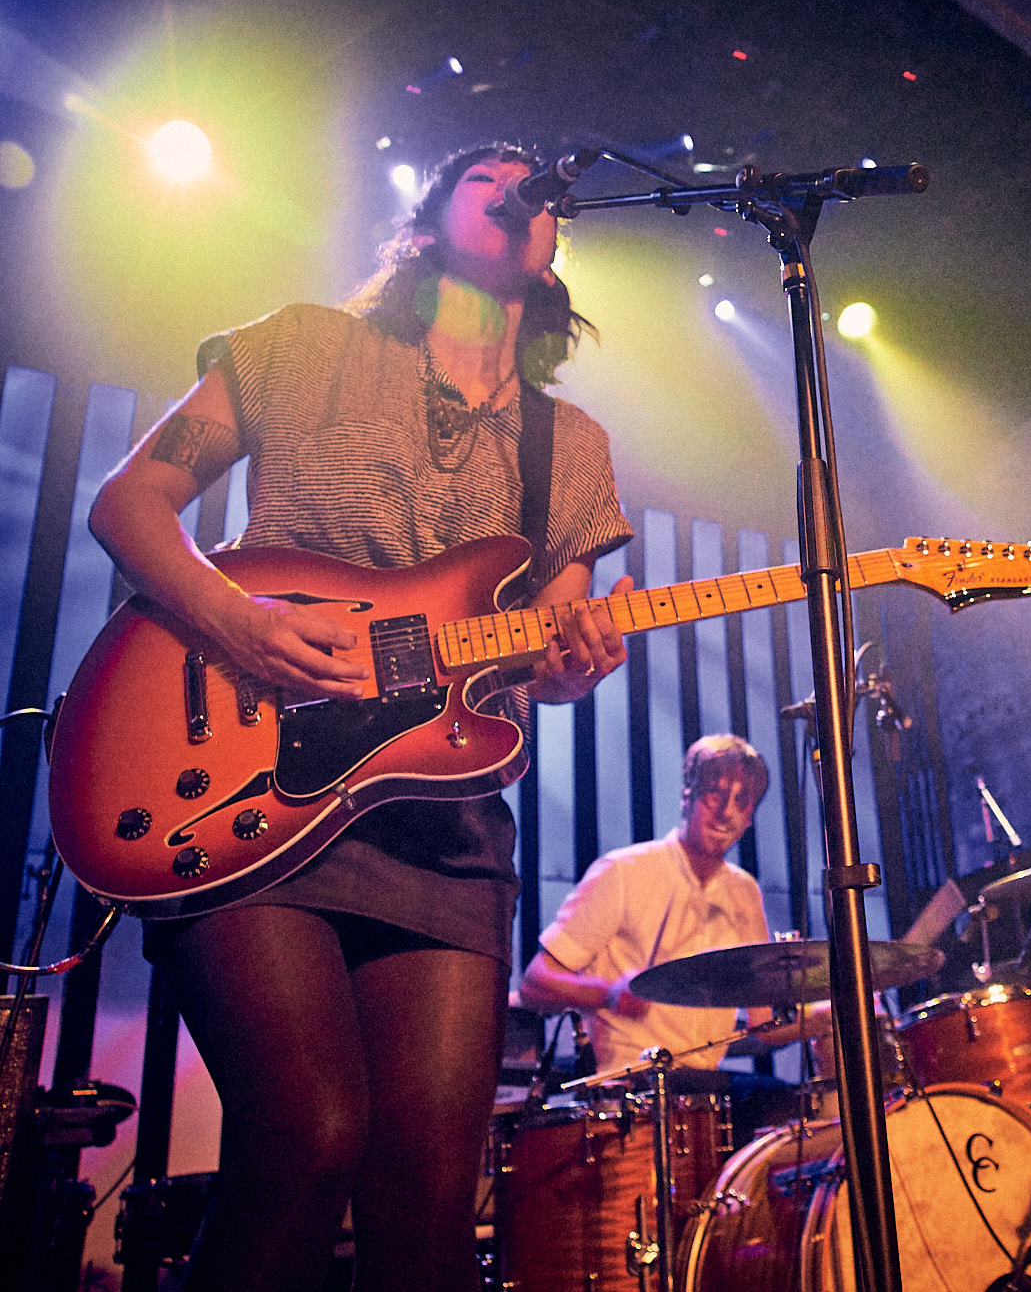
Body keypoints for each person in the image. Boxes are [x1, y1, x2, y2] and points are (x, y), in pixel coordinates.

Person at [88, 144, 636, 1292]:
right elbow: (129, 499)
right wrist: (238, 625)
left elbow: (541, 653)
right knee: (308, 1135)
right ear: (429, 222)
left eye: (535, 184)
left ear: (553, 248)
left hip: (441, 831)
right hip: (249, 780)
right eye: (488, 173)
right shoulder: (301, 345)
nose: (518, 187)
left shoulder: (569, 446)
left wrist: (578, 661)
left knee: (430, 1204)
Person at [519, 733, 777, 1074]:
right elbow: (535, 983)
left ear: (749, 819)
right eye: (716, 791)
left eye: (742, 800)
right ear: (688, 794)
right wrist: (607, 993)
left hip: (706, 1087)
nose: (726, 811)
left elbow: (764, 1023)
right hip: (630, 1083)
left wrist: (822, 1011)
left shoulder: (745, 891)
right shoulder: (624, 871)